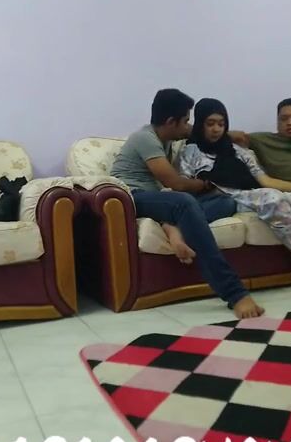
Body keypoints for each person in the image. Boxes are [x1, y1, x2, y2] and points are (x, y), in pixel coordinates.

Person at [110, 88, 264, 319]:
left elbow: (197, 130)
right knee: (184, 201)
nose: (188, 126)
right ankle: (235, 293)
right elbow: (176, 183)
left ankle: (175, 228)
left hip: (156, 199)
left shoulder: (165, 135)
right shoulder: (145, 139)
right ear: (171, 122)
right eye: (185, 120)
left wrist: (228, 134)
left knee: (226, 202)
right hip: (132, 196)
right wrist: (206, 184)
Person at [178, 98, 291, 264]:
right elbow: (183, 184)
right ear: (200, 123)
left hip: (251, 194)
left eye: (221, 124)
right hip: (226, 198)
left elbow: (266, 181)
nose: (216, 129)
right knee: (273, 199)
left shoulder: (237, 150)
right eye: (210, 124)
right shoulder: (190, 151)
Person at [233, 98, 291, 185]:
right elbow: (231, 136)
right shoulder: (264, 140)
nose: (290, 123)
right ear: (278, 121)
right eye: (284, 119)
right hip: (290, 190)